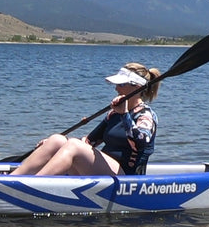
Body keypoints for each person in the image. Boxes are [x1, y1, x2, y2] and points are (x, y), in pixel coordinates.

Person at [11, 62, 161, 176]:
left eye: (121, 84)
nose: (116, 88)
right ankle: (13, 178)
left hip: (127, 177)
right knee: (58, 140)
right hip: (104, 171)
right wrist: (54, 146)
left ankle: (33, 185)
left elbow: (140, 143)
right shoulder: (113, 114)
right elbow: (88, 143)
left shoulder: (146, 116)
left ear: (136, 88)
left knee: (73, 146)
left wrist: (125, 115)